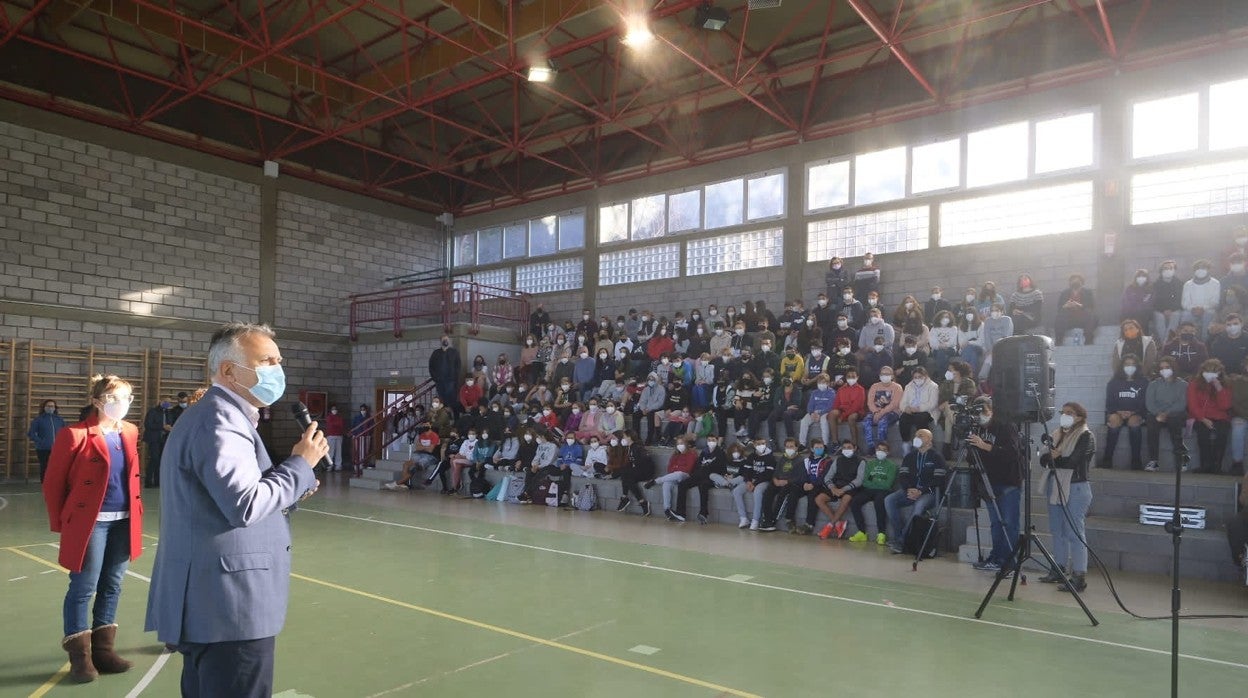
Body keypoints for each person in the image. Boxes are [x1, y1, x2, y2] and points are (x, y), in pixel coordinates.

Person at [146, 323, 325, 697]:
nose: (277, 369)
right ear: (229, 370)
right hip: (230, 607)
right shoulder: (220, 420)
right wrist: (299, 466)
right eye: (267, 361)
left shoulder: (222, 416)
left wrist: (293, 486)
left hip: (213, 602)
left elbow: (226, 497)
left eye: (279, 361)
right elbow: (244, 505)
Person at [42, 375, 143, 683]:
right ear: (98, 401)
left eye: (127, 398)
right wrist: (62, 523)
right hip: (90, 523)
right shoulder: (73, 434)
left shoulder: (130, 431)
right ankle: (80, 657)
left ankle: (103, 650)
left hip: (124, 519)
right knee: (84, 586)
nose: (122, 405)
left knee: (113, 584)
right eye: (115, 399)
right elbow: (53, 483)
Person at [1040, 402, 1095, 593]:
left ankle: (1079, 575)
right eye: (1063, 413)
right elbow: (1042, 459)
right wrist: (1053, 457)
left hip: (1076, 486)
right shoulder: (1056, 434)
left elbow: (1073, 461)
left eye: (1070, 413)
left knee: (1075, 532)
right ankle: (1059, 568)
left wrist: (1055, 458)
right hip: (1055, 485)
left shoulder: (1086, 436)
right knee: (1057, 530)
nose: (1065, 416)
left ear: (1079, 417)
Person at [965, 399, 1023, 574]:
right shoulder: (978, 429)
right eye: (977, 413)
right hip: (989, 481)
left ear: (991, 410)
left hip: (1008, 481)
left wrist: (984, 445)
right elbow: (971, 458)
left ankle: (1009, 562)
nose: (980, 416)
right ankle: (996, 558)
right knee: (996, 524)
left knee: (1009, 523)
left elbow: (1012, 453)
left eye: (982, 411)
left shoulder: (1005, 426)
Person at [884, 429, 947, 553]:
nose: (916, 438)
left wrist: (921, 491)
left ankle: (902, 541)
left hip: (930, 493)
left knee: (919, 506)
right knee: (889, 500)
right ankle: (898, 536)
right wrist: (909, 489)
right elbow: (903, 476)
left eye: (920, 436)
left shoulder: (937, 456)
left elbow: (939, 480)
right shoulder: (910, 456)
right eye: (916, 435)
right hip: (911, 491)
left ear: (929, 439)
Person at [1102, 355, 1149, 470]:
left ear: (1137, 367)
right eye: (1127, 364)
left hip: (1136, 413)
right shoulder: (1113, 383)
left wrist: (1134, 412)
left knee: (1134, 424)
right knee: (1113, 422)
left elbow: (1145, 402)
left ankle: (1136, 460)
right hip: (1117, 412)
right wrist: (1118, 412)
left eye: (1133, 364)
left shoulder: (1143, 382)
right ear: (1122, 366)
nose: (1130, 367)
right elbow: (1109, 403)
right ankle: (1107, 458)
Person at [1144, 357, 1189, 473]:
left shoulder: (1183, 384)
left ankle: (1181, 458)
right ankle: (1154, 461)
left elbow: (1181, 403)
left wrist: (1166, 413)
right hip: (1157, 414)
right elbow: (1150, 403)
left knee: (1175, 422)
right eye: (1162, 368)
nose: (1164, 370)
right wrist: (1158, 413)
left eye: (1167, 367)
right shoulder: (1153, 384)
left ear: (1173, 368)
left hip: (1175, 413)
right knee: (1151, 423)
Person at [1188, 359, 1232, 474]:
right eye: (1208, 371)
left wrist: (1218, 387)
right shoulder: (1194, 384)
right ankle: (1205, 465)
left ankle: (1217, 466)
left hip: (1220, 417)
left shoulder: (1225, 384)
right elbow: (1192, 405)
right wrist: (1202, 418)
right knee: (1203, 434)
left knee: (1222, 433)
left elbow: (1225, 406)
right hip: (1201, 417)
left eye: (1214, 371)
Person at [848, 441, 897, 545]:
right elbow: (866, 481)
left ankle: (881, 533)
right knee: (854, 502)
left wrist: (874, 479)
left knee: (879, 503)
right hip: (869, 490)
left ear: (888, 452)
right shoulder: (870, 463)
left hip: (884, 491)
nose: (881, 452)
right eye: (879, 449)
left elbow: (888, 484)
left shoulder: (892, 466)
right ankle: (861, 532)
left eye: (884, 450)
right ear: (875, 450)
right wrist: (880, 479)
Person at [811, 440, 862, 539]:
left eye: (849, 447)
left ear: (855, 448)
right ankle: (838, 523)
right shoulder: (838, 460)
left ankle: (829, 526)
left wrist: (843, 489)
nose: (846, 450)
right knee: (819, 499)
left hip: (851, 487)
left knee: (846, 499)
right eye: (844, 448)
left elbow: (859, 480)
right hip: (837, 486)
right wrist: (832, 488)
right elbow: (827, 477)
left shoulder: (861, 461)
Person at [758, 438, 804, 532]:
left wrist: (787, 482)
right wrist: (775, 480)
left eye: (791, 446)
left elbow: (799, 477)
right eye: (787, 447)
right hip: (778, 481)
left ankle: (773, 520)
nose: (789, 448)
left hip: (790, 484)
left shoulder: (800, 460)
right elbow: (776, 472)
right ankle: (766, 518)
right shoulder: (783, 458)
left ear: (796, 448)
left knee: (783, 495)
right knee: (768, 492)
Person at [897, 367, 939, 455]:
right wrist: (906, 408)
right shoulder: (909, 386)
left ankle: (924, 443)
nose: (917, 379)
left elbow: (932, 404)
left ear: (925, 376)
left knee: (920, 418)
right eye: (915, 377)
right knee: (903, 418)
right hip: (911, 410)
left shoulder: (933, 386)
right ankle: (906, 444)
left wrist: (918, 408)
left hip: (927, 411)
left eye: (919, 377)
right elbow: (902, 403)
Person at [862, 366, 903, 451]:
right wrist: (876, 412)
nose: (885, 376)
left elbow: (894, 404)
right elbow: (870, 402)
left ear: (892, 376)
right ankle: (871, 448)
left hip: (892, 412)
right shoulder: (874, 386)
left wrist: (881, 413)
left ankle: (882, 448)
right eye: (882, 374)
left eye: (887, 374)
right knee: (866, 422)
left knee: (882, 422)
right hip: (875, 412)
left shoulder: (897, 387)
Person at [613, 431, 654, 515]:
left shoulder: (636, 447)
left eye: (624, 437)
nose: (623, 439)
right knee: (628, 478)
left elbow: (644, 462)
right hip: (638, 471)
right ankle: (642, 502)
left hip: (645, 472)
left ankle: (625, 497)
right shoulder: (629, 448)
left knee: (625, 473)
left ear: (629, 437)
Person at [141, 396, 177, 488]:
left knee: (161, 460)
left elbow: (170, 423)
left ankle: (158, 482)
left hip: (164, 439)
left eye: (169, 402)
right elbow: (148, 424)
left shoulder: (168, 412)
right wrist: (162, 426)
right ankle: (148, 482)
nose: (167, 404)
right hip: (154, 439)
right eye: (165, 401)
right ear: (160, 401)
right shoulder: (153, 411)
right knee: (154, 459)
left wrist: (169, 427)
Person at [27, 398, 66, 482]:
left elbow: (65, 433)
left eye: (52, 406)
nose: (50, 408)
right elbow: (31, 434)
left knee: (56, 467)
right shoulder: (38, 420)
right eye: (48, 406)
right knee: (44, 467)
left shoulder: (59, 420)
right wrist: (41, 442)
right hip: (43, 449)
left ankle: (55, 484)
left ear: (55, 408)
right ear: (44, 407)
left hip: (57, 449)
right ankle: (44, 484)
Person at [1182, 259, 1221, 340]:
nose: (1200, 270)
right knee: (1185, 316)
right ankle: (1188, 340)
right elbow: (1185, 302)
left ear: (1208, 270)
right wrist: (1192, 309)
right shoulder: (1188, 284)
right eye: (1198, 268)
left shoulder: (1215, 283)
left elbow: (1215, 301)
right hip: (1191, 310)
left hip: (1208, 310)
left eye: (1203, 268)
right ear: (1194, 271)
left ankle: (1205, 342)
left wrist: (1203, 308)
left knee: (1209, 315)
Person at [1054, 274, 1096, 345]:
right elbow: (1059, 307)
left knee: (1089, 313)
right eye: (1073, 280)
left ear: (1082, 282)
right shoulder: (1065, 293)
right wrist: (1066, 305)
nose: (1075, 281)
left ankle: (1089, 340)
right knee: (1060, 316)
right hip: (1069, 320)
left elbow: (1091, 306)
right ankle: (1058, 341)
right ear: (1070, 283)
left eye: (1077, 279)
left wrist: (1078, 304)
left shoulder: (1088, 292)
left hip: (1083, 319)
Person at [428, 334, 462, 414]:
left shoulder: (454, 352)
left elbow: (458, 365)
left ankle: (454, 418)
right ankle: (445, 417)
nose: (446, 341)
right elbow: (431, 366)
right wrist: (435, 378)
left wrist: (455, 376)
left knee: (451, 399)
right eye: (444, 339)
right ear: (441, 341)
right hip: (440, 381)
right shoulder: (436, 353)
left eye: (447, 339)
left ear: (449, 341)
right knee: (442, 399)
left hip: (451, 380)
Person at [1152, 259, 1184, 342]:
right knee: (1159, 317)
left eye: (1170, 268)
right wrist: (1163, 310)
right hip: (1159, 310)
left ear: (1174, 270)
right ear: (1161, 270)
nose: (1168, 270)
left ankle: (1167, 341)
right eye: (1165, 268)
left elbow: (1179, 299)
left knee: (1176, 315)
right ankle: (1165, 343)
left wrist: (1171, 309)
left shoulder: (1179, 283)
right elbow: (1155, 300)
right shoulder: (1156, 284)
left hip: (1174, 309)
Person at [323, 404, 345, 471]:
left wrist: (336, 424)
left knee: (339, 451)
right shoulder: (329, 417)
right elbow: (332, 424)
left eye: (335, 409)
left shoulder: (339, 417)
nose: (334, 410)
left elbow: (341, 424)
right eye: (333, 409)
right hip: (331, 435)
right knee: (330, 451)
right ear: (331, 410)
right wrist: (336, 424)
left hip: (339, 435)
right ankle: (329, 465)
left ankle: (338, 465)